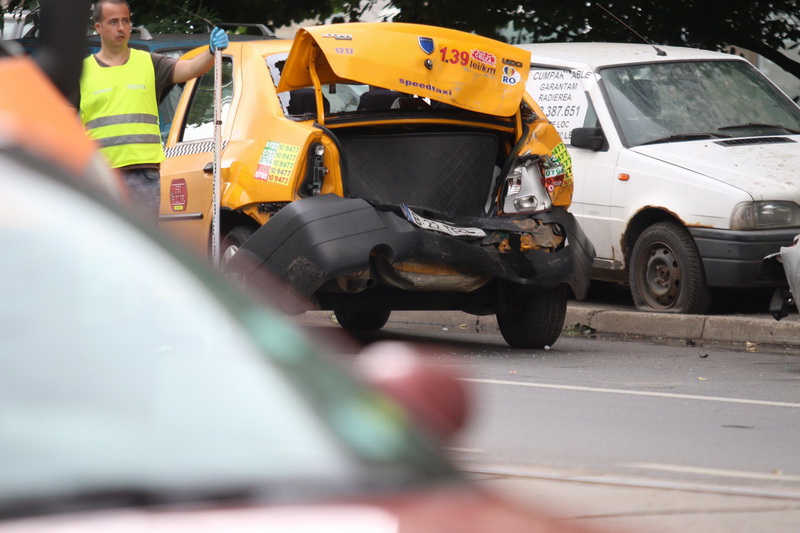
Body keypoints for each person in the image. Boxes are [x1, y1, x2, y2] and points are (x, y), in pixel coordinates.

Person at [78, 0, 229, 221]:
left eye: (125, 21)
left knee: (141, 249)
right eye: (113, 22)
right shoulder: (82, 71)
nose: (121, 28)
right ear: (98, 27)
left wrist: (210, 51)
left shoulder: (149, 63)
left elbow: (190, 68)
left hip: (143, 174)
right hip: (101, 176)